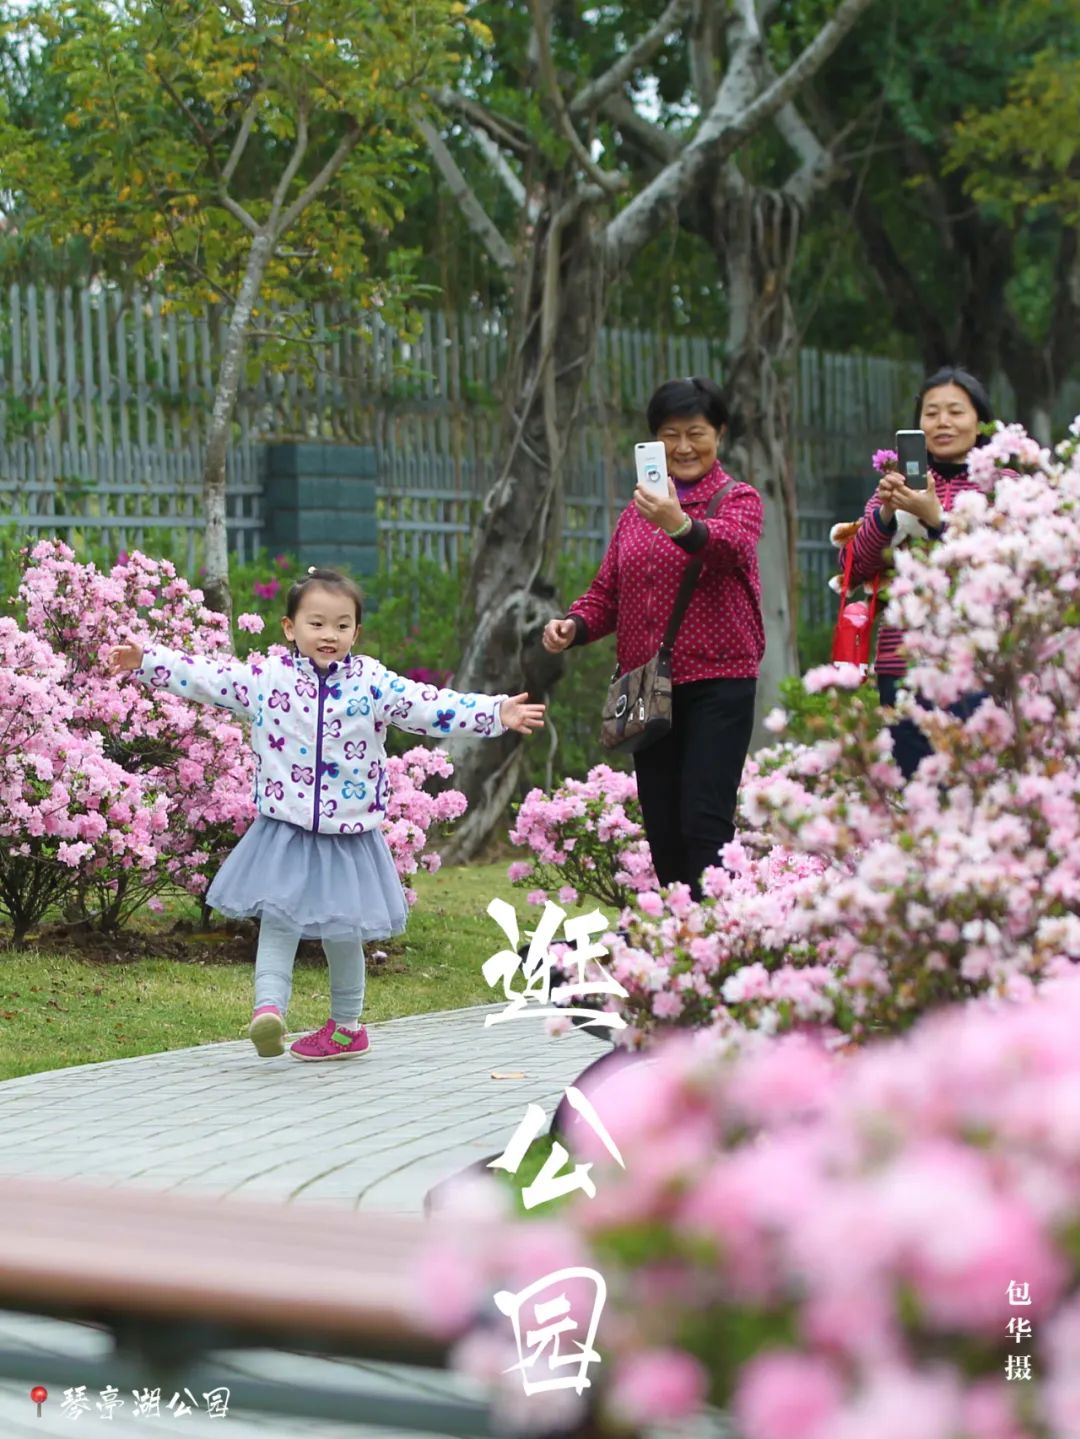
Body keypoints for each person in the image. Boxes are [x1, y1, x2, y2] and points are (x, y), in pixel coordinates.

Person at [106, 567, 545, 1062]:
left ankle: (346, 1027)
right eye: (316, 623)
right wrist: (148, 660)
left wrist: (494, 713)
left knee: (344, 932)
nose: (329, 635)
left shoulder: (373, 683)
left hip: (349, 835)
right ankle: (267, 1010)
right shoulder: (266, 678)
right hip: (285, 828)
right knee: (278, 921)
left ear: (356, 632)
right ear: (290, 627)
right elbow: (209, 677)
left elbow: (428, 706)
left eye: (341, 625)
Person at [543, 376, 764, 900]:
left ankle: (723, 939)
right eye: (670, 434)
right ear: (652, 442)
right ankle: (679, 947)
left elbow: (728, 549)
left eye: (696, 433)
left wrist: (678, 522)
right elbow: (607, 594)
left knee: (704, 821)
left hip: (719, 682)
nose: (683, 447)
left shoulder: (740, 499)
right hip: (650, 690)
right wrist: (572, 627)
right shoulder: (635, 514)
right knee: (664, 827)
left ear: (720, 435)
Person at [842, 365, 994, 778]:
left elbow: (998, 570)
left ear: (980, 421)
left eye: (955, 411)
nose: (942, 422)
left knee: (974, 786)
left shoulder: (1003, 485)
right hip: (901, 662)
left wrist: (934, 518)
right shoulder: (891, 489)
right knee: (919, 791)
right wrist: (888, 514)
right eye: (931, 413)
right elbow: (853, 568)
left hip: (978, 663)